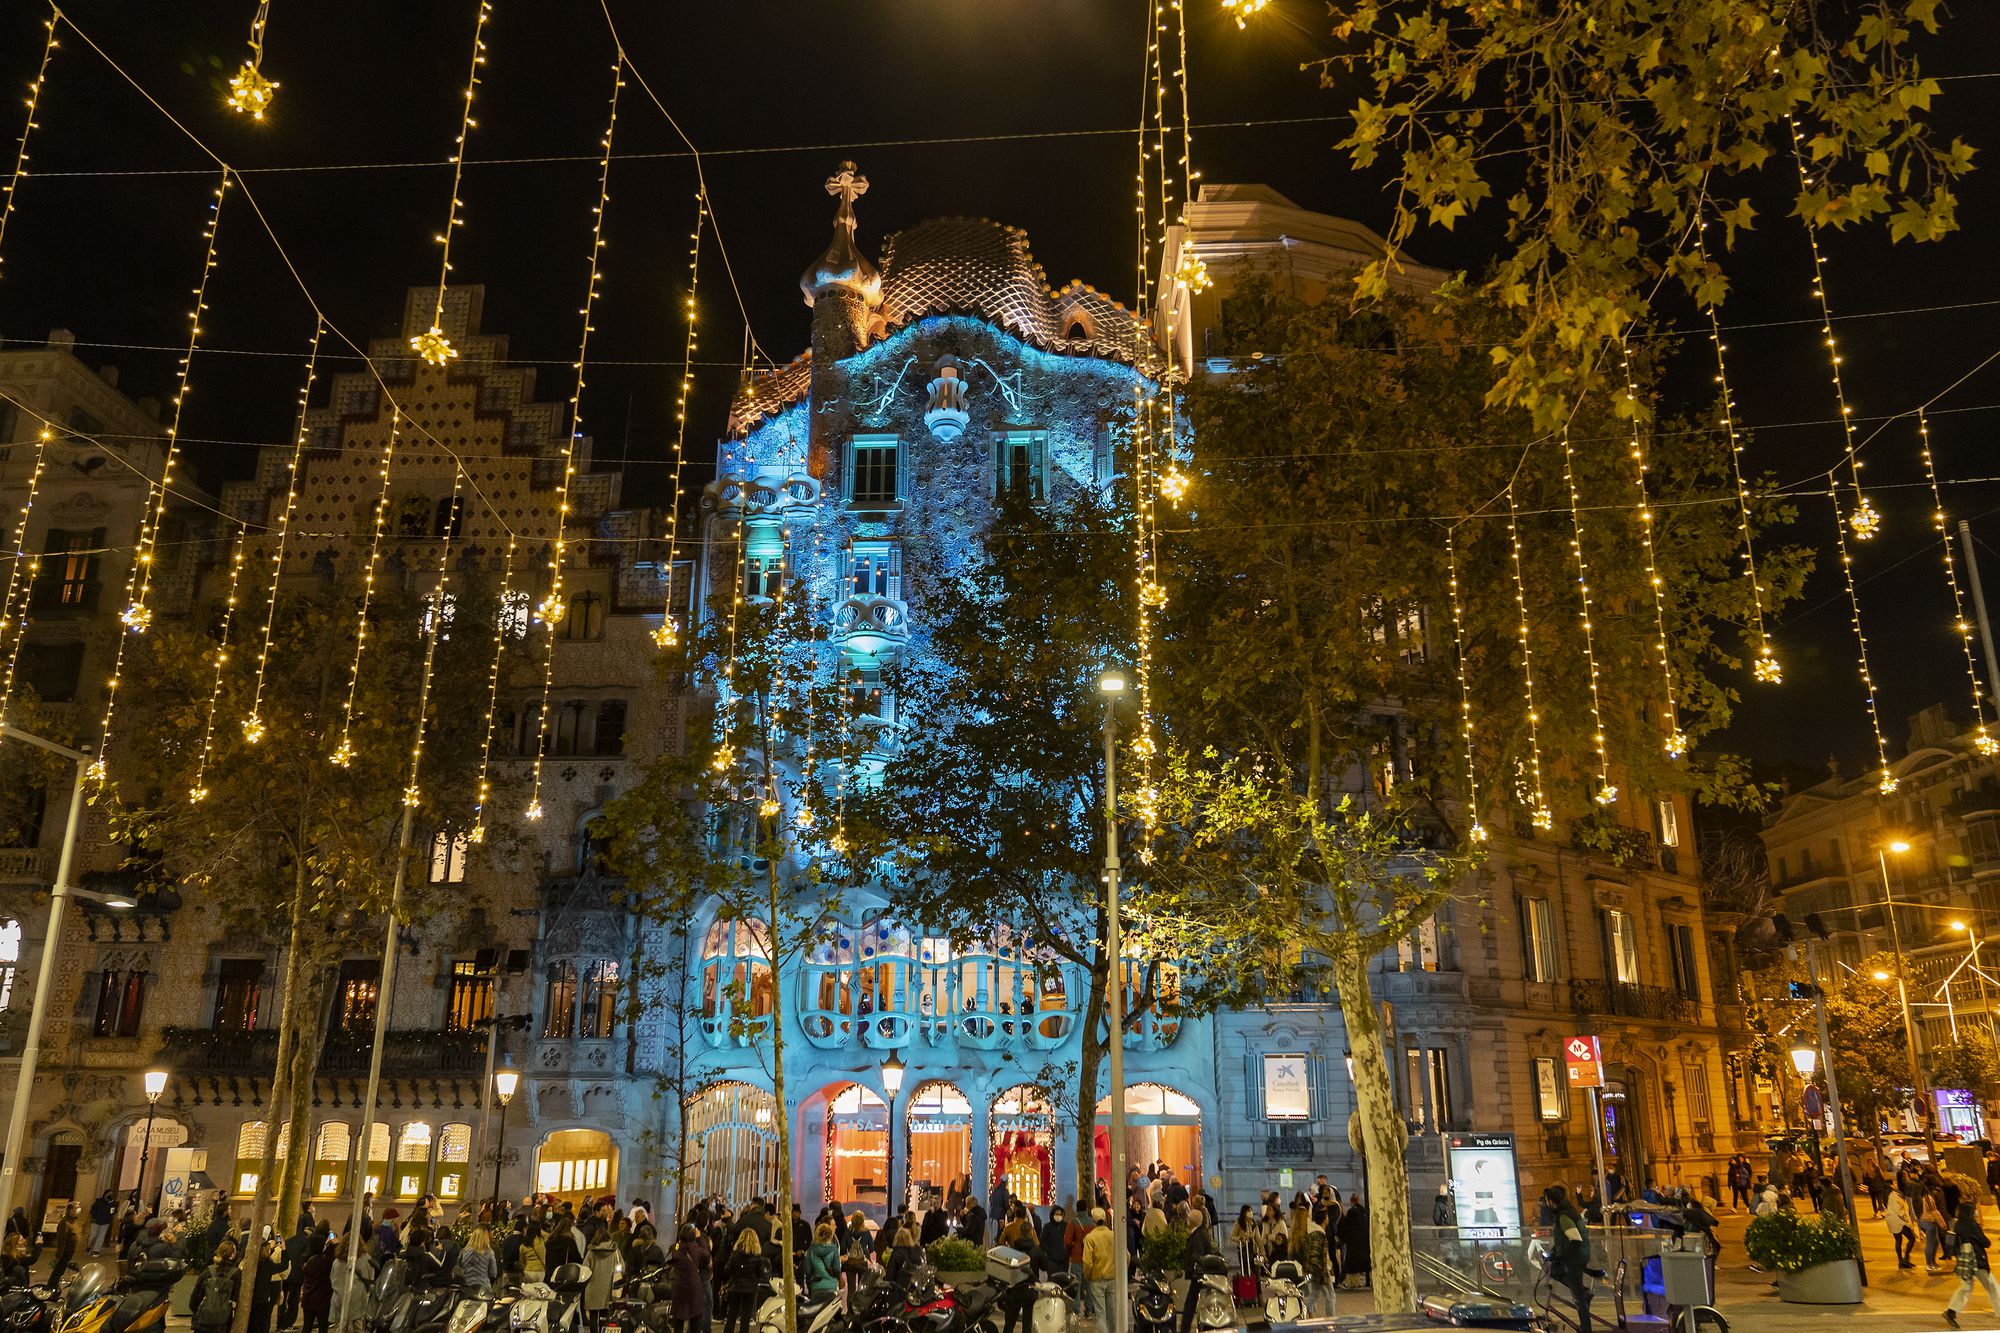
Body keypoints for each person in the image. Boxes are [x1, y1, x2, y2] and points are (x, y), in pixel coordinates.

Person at [1545, 1186, 1593, 1333]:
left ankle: (1586, 1329)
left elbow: (1575, 1239)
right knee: (1553, 1271)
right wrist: (1555, 1252)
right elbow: (1566, 1238)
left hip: (1574, 1259)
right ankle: (1584, 1292)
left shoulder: (1564, 1216)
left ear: (1550, 1201)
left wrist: (1560, 1256)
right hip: (1575, 1256)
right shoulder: (1566, 1212)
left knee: (1579, 1299)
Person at [1947, 1199, 1999, 1328]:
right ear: (1970, 1212)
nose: (1976, 1212)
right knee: (1992, 1286)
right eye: (1975, 1209)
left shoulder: (1957, 1223)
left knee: (1965, 1288)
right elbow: (1986, 1242)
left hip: (1964, 1262)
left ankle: (1951, 1312)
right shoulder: (1972, 1225)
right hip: (1976, 1260)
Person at [720, 1229, 769, 1333]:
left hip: (736, 1286)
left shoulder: (735, 1254)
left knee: (732, 1315)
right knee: (746, 1317)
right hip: (750, 1288)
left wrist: (735, 1275)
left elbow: (727, 1270)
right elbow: (760, 1272)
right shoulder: (757, 1256)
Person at [194, 1240, 243, 1333]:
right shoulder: (236, 1274)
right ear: (232, 1255)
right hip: (224, 1322)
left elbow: (195, 1298)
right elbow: (237, 1296)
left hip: (204, 1320)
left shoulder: (208, 1271)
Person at [669, 1225, 709, 1333]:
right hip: (693, 1286)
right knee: (695, 1318)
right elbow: (707, 1254)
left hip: (679, 1286)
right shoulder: (696, 1248)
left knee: (678, 1319)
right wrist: (700, 1238)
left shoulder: (675, 1248)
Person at [298, 1237, 337, 1333]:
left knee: (307, 1326)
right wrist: (332, 1246)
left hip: (308, 1297)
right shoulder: (323, 1261)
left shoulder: (306, 1259)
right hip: (321, 1299)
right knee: (323, 1326)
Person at [1082, 1210, 1113, 1327]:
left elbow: (1087, 1262)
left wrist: (1087, 1275)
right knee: (1112, 1313)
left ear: (1093, 1220)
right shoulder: (1113, 1235)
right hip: (1112, 1278)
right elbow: (1127, 1256)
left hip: (1097, 1279)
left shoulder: (1090, 1238)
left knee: (1101, 1314)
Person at [1334, 1197, 1370, 1290]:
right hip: (1364, 1242)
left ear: (1351, 1202)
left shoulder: (1351, 1212)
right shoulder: (1365, 1212)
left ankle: (1352, 1282)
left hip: (1354, 1243)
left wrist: (1340, 1236)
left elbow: (1346, 1227)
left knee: (1351, 1264)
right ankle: (1364, 1281)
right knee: (1365, 1263)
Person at [456, 1228, 497, 1295]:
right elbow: (493, 1273)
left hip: (467, 1287)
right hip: (484, 1289)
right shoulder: (489, 1252)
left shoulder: (464, 1251)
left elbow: (458, 1268)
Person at [805, 1222, 839, 1299]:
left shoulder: (811, 1250)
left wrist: (810, 1283)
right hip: (831, 1286)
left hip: (816, 1286)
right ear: (830, 1235)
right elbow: (837, 1269)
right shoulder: (833, 1249)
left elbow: (807, 1270)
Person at [1887, 1187, 1919, 1269]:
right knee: (1911, 1238)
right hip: (1898, 1221)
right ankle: (1904, 1259)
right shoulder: (1895, 1196)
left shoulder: (1894, 1195)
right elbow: (1899, 1211)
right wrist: (1907, 1220)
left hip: (1895, 1220)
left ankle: (1902, 1260)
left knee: (1898, 1240)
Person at [1036, 1205, 1070, 1279]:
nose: (1058, 1216)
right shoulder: (1047, 1227)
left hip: (1064, 1260)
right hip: (1052, 1260)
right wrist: (1049, 1252)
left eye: (1060, 1214)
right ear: (1052, 1215)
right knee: (1053, 1280)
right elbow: (1042, 1241)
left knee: (1064, 1280)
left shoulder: (1066, 1226)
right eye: (1056, 1214)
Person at [87, 1191, 115, 1255]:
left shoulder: (112, 1203)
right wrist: (95, 1216)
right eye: (109, 1194)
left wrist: (112, 1204)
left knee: (101, 1236)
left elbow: (112, 1212)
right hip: (96, 1221)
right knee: (93, 1235)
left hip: (105, 1222)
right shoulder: (99, 1202)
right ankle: (89, 1246)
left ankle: (96, 1250)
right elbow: (92, 1210)